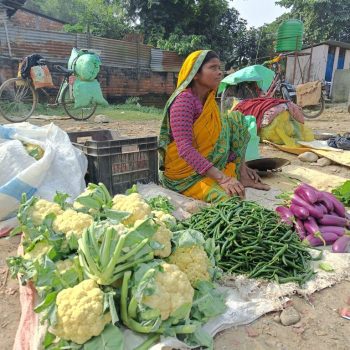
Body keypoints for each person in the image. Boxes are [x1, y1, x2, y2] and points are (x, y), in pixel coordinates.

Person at [158, 50, 270, 203]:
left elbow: (218, 136)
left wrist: (240, 165)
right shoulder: (184, 101)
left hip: (206, 164)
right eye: (213, 68)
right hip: (185, 174)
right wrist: (223, 178)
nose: (220, 73)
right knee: (228, 200)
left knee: (237, 120)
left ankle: (242, 174)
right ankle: (219, 178)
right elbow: (184, 149)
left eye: (219, 68)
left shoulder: (208, 99)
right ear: (195, 74)